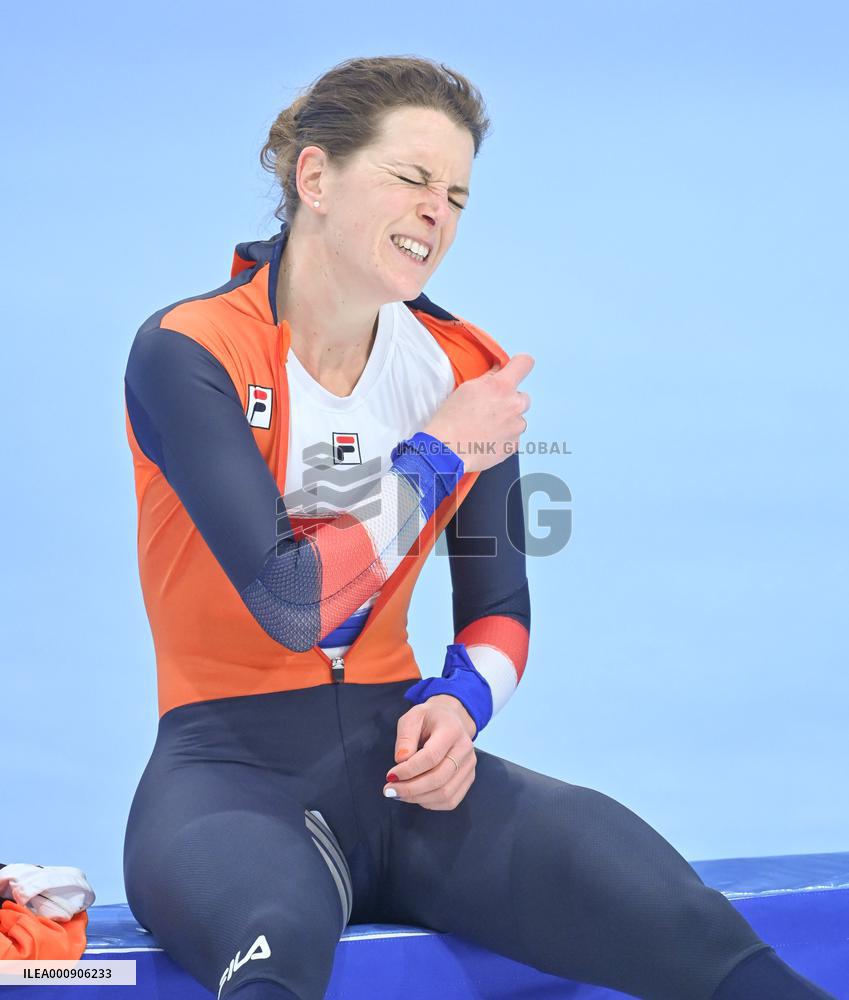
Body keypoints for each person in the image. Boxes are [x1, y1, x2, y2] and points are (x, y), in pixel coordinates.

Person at [122, 56, 835, 1000]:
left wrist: (460, 706)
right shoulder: (192, 350)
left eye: (456, 194)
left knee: (686, 925)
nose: (437, 213)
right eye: (412, 179)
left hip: (409, 769)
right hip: (226, 780)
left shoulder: (465, 366)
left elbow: (499, 607)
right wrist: (438, 451)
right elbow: (289, 601)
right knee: (274, 950)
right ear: (315, 177)